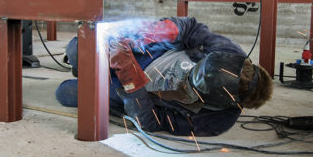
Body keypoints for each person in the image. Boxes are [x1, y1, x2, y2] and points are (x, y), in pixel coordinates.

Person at [56, 17, 272, 137]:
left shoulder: (216, 122)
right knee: (76, 48)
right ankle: (85, 67)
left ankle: (95, 75)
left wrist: (130, 77)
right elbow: (191, 28)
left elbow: (151, 122)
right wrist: (149, 34)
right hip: (146, 56)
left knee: (65, 93)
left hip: (135, 91)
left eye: (194, 84)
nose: (187, 77)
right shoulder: (230, 54)